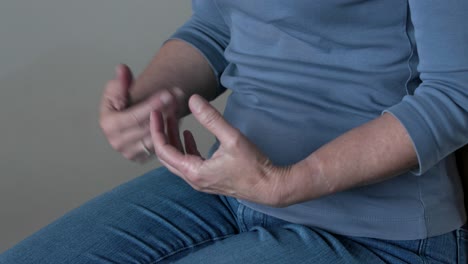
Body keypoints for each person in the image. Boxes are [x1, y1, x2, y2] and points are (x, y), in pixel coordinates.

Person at [1, 0, 467, 263]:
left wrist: (287, 183)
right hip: (227, 189)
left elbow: (457, 93)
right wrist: (153, 99)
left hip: (379, 233)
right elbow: (217, 24)